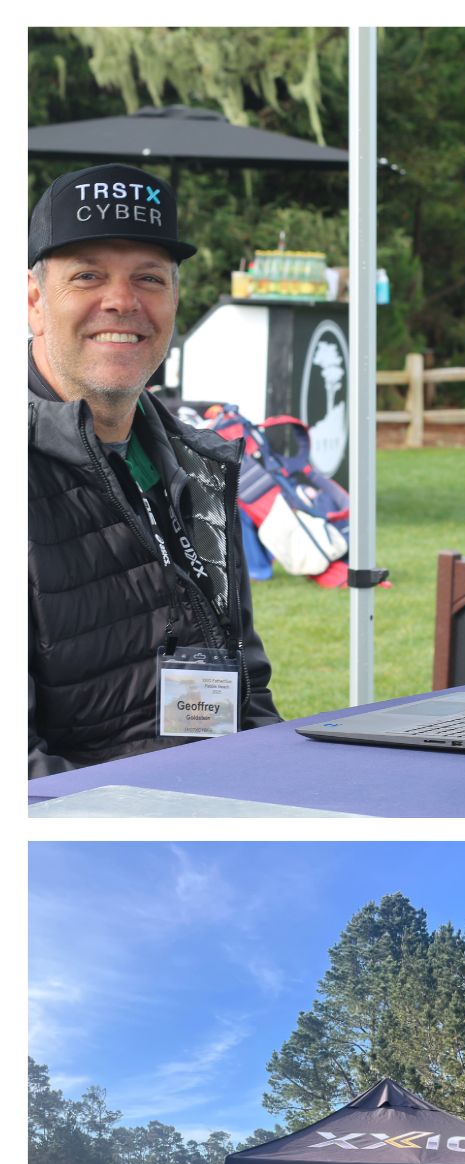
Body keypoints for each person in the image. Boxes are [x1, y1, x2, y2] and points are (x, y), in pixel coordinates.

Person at [28, 164, 282, 776]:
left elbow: (248, 693)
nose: (122, 301)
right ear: (33, 302)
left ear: (174, 301)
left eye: (149, 279)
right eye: (87, 276)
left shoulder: (201, 465)